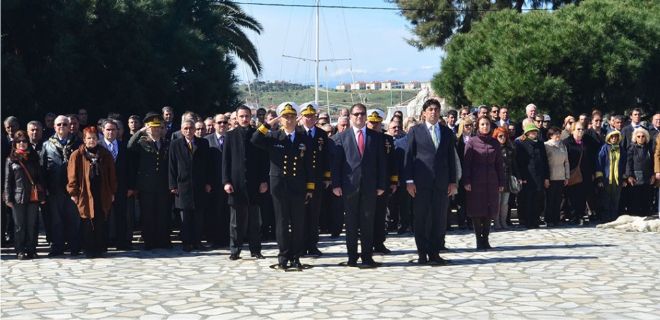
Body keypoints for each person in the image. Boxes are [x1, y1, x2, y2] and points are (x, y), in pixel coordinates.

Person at [251, 102, 315, 270]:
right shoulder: (274, 137)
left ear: (297, 119)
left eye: (292, 117)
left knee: (298, 222)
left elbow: (309, 165)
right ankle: (283, 256)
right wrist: (268, 124)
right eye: (285, 117)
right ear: (280, 119)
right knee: (281, 221)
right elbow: (255, 139)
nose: (289, 120)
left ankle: (296, 256)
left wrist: (310, 187)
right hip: (279, 185)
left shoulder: (304, 138)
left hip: (298, 185)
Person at [332, 103, 387, 268]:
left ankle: (367, 256)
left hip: (370, 187)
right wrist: (336, 184)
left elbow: (382, 163)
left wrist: (382, 184)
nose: (359, 117)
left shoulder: (376, 137)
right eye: (356, 114)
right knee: (350, 223)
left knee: (368, 223)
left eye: (362, 114)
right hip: (349, 187)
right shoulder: (341, 137)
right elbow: (336, 164)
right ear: (350, 117)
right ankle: (352, 257)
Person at [404, 99, 457, 264]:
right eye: (430, 109)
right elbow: (409, 157)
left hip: (441, 184)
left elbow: (451, 159)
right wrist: (409, 181)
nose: (433, 112)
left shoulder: (446, 132)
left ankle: (435, 253)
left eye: (436, 109)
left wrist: (453, 181)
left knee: (439, 219)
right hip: (421, 183)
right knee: (421, 219)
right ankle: (422, 253)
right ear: (424, 113)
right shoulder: (415, 131)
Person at [222, 105, 269, 261]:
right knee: (236, 222)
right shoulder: (230, 136)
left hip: (255, 184)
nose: (244, 119)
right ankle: (235, 249)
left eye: (247, 116)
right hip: (236, 184)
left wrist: (264, 181)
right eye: (241, 116)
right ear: (236, 117)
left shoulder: (256, 135)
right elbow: (226, 161)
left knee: (255, 221)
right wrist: (226, 181)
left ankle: (256, 250)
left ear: (251, 117)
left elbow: (264, 161)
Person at [67, 126, 117, 258]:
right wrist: (73, 193)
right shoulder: (77, 155)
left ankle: (100, 248)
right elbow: (72, 176)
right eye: (89, 138)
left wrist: (112, 191)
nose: (92, 141)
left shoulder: (105, 154)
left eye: (94, 138)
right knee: (86, 220)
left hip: (102, 191)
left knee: (100, 219)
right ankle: (88, 249)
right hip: (84, 192)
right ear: (84, 139)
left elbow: (112, 174)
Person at [127, 114, 172, 250]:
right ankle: (149, 241)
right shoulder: (142, 142)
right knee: (148, 214)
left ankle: (163, 240)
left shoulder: (166, 143)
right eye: (153, 128)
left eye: (158, 128)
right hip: (146, 185)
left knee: (163, 213)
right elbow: (129, 146)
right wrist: (140, 131)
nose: (156, 130)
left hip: (163, 185)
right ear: (148, 128)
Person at [169, 119, 212, 252]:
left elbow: (208, 165)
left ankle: (197, 241)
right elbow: (171, 166)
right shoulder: (175, 144)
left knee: (199, 216)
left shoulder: (203, 143)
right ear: (182, 130)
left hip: (199, 185)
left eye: (191, 128)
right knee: (185, 217)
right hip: (183, 185)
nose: (188, 131)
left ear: (195, 129)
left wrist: (208, 182)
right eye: (186, 128)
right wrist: (172, 185)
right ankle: (186, 242)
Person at [42, 115, 83, 256]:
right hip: (54, 188)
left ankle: (74, 246)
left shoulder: (77, 143)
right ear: (54, 127)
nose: (61, 127)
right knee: (56, 220)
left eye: (64, 124)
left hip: (73, 188)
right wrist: (44, 187)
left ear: (69, 126)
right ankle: (57, 247)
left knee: (73, 219)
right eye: (58, 124)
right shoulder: (47, 145)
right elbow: (43, 168)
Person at [4, 131, 46, 259]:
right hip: (18, 197)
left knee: (32, 225)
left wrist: (42, 195)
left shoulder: (34, 157)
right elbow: (7, 180)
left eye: (24, 141)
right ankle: (20, 250)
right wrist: (7, 197)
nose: (22, 143)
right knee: (19, 226)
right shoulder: (11, 160)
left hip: (33, 196)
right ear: (15, 144)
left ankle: (32, 249)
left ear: (28, 143)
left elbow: (40, 178)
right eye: (19, 141)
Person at [463, 117, 503, 249]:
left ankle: (485, 239)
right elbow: (466, 164)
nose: (485, 126)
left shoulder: (495, 143)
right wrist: (467, 180)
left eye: (487, 124)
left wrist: (501, 181)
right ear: (478, 126)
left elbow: (499, 164)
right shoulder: (472, 142)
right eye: (482, 124)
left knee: (489, 210)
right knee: (477, 211)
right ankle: (478, 240)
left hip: (491, 180)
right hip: (476, 181)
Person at [298, 102, 331, 256]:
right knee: (300, 214)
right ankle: (300, 244)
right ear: (301, 117)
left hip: (317, 179)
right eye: (307, 116)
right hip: (299, 178)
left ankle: (312, 244)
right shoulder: (297, 133)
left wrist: (327, 177)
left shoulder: (321, 134)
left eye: (312, 116)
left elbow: (326, 157)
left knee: (314, 213)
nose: (309, 118)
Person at [365, 109, 398, 254]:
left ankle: (379, 242)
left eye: (377, 123)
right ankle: (367, 242)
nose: (374, 125)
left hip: (383, 183)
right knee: (366, 215)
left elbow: (392, 162)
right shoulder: (362, 137)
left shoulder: (387, 140)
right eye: (371, 122)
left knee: (380, 214)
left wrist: (393, 181)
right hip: (366, 182)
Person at [99, 119, 132, 250]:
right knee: (103, 216)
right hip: (103, 188)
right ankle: (103, 242)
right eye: (108, 129)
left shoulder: (124, 146)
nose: (111, 132)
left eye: (113, 129)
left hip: (121, 187)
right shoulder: (98, 146)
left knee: (121, 215)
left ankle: (121, 242)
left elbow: (130, 168)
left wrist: (130, 187)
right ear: (103, 130)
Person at [563, 121, 598, 225]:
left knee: (583, 196)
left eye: (582, 129)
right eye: (578, 129)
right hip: (572, 174)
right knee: (572, 196)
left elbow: (591, 158)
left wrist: (592, 172)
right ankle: (573, 216)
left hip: (585, 173)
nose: (580, 132)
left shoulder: (587, 142)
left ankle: (581, 215)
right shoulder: (567, 143)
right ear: (572, 130)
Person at [515, 124, 549, 228]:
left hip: (540, 176)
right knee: (528, 199)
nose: (534, 133)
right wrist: (521, 177)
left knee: (538, 199)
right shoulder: (522, 144)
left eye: (535, 131)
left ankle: (536, 219)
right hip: (528, 176)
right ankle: (528, 221)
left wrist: (546, 177)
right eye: (532, 131)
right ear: (527, 133)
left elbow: (545, 161)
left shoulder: (540, 144)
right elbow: (519, 163)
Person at [204, 113, 230, 247]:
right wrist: (207, 182)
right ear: (214, 124)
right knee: (214, 211)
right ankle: (214, 239)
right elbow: (204, 164)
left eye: (225, 122)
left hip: (229, 183)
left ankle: (227, 239)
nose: (222, 125)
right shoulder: (206, 140)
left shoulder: (232, 139)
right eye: (219, 122)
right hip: (213, 183)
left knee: (228, 211)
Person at [595, 131, 626, 222]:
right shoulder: (604, 148)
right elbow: (599, 163)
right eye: (611, 137)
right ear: (608, 138)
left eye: (615, 137)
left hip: (617, 179)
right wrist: (599, 179)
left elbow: (624, 164)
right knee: (606, 199)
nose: (613, 139)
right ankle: (605, 218)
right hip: (606, 178)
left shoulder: (621, 149)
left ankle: (614, 218)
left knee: (616, 199)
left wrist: (624, 178)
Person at [493, 126, 518, 230]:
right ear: (496, 136)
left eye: (504, 136)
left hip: (507, 177)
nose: (502, 138)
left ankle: (503, 221)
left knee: (505, 202)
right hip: (496, 178)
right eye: (500, 136)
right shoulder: (493, 148)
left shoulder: (510, 149)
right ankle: (496, 222)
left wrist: (518, 176)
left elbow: (515, 164)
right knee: (497, 201)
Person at [544, 127, 570, 227]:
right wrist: (546, 178)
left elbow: (566, 162)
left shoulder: (563, 145)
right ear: (551, 135)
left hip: (561, 176)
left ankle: (556, 219)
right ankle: (549, 219)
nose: (558, 136)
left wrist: (567, 176)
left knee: (558, 200)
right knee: (550, 200)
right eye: (556, 134)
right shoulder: (546, 145)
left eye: (559, 133)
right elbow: (544, 162)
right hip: (551, 176)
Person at [625, 128, 654, 216]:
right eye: (638, 136)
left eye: (643, 136)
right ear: (635, 138)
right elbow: (628, 163)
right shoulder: (631, 148)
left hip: (647, 177)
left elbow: (652, 162)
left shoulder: (649, 148)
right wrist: (629, 176)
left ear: (646, 137)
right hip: (635, 177)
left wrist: (653, 174)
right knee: (635, 199)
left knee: (646, 198)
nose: (641, 138)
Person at [455, 117, 474, 229]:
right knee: (461, 199)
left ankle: (471, 221)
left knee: (471, 198)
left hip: (472, 172)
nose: (469, 128)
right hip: (461, 172)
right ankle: (461, 221)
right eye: (467, 126)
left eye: (471, 125)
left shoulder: (475, 139)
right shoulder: (457, 140)